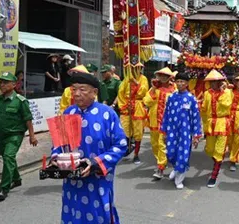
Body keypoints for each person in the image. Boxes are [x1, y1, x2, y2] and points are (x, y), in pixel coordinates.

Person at [50, 72, 127, 224]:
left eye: (82, 89)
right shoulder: (68, 112)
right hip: (72, 180)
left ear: (94, 92)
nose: (77, 94)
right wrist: (56, 157)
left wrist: (96, 163)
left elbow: (120, 145)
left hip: (98, 180)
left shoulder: (107, 114)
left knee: (99, 214)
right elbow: (59, 143)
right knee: (72, 212)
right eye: (74, 89)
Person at [0, 72, 38, 201]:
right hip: (2, 135)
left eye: (5, 82)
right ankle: (16, 179)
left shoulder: (20, 101)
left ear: (14, 85)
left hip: (15, 135)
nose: (2, 85)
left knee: (8, 156)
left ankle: (4, 188)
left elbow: (28, 119)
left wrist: (32, 136)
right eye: (1, 82)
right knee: (8, 158)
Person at [161, 72, 202, 189]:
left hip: (185, 132)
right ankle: (176, 167)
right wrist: (164, 131)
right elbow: (166, 114)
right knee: (170, 152)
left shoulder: (191, 99)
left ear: (187, 84)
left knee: (183, 155)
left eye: (182, 82)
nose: (179, 84)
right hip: (172, 131)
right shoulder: (171, 97)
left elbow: (196, 118)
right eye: (178, 81)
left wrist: (196, 136)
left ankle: (179, 179)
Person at [200, 69, 233, 188]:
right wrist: (204, 126)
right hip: (210, 123)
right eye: (212, 81)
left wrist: (223, 91)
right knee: (209, 149)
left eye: (217, 81)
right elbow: (204, 110)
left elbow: (227, 104)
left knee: (219, 150)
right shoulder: (207, 93)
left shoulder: (227, 92)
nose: (214, 83)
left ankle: (214, 174)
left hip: (222, 122)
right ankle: (217, 163)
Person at [143, 67, 176, 179]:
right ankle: (161, 161)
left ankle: (160, 167)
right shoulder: (154, 89)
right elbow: (146, 102)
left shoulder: (174, 90)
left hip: (167, 123)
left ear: (169, 77)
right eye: (161, 75)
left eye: (165, 76)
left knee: (161, 144)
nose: (162, 77)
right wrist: (152, 89)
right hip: (153, 121)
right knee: (155, 144)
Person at [116, 65, 148, 164]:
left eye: (138, 68)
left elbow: (143, 91)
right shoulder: (126, 79)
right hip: (127, 107)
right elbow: (120, 93)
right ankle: (128, 147)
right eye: (133, 68)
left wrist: (135, 82)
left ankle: (136, 154)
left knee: (138, 132)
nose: (135, 70)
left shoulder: (143, 79)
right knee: (124, 129)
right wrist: (124, 105)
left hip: (138, 107)